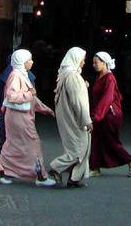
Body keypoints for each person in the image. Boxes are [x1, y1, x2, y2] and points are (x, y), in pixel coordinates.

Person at [0, 49, 56, 187]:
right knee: (33, 144)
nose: (31, 62)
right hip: (19, 118)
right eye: (29, 60)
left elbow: (33, 99)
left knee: (11, 146)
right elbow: (11, 96)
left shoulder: (22, 74)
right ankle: (41, 176)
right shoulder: (15, 75)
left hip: (19, 117)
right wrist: (29, 94)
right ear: (22, 61)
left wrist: (45, 109)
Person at [89, 51, 131, 178]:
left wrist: (97, 115)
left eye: (96, 62)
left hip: (109, 115)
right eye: (93, 62)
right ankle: (95, 167)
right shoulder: (100, 77)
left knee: (110, 141)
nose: (94, 65)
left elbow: (107, 99)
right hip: (102, 114)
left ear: (104, 63)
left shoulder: (109, 78)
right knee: (97, 140)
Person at [49, 47, 92, 188]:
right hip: (75, 119)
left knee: (80, 147)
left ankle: (75, 178)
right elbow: (78, 101)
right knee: (78, 149)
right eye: (82, 59)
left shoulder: (65, 74)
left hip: (68, 117)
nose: (84, 62)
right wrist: (87, 120)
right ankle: (55, 168)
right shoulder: (73, 77)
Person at [0, 53, 36, 145]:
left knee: (7, 136)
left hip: (8, 111)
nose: (32, 62)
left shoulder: (5, 75)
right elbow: (32, 96)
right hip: (24, 112)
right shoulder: (26, 75)